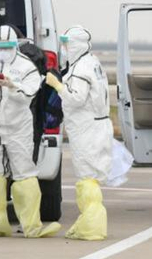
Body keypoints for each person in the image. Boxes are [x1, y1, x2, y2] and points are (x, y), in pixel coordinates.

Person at [0, 25, 60, 238]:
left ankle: (31, 225)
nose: (3, 51)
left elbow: (31, 93)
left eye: (7, 47)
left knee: (24, 172)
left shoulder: (26, 66)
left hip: (18, 124)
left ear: (15, 45)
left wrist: (12, 85)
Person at [45, 26, 113, 240]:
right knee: (90, 176)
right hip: (96, 126)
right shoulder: (92, 62)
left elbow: (76, 98)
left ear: (76, 45)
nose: (65, 49)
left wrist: (58, 86)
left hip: (87, 129)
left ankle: (92, 227)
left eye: (67, 44)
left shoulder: (82, 68)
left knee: (87, 177)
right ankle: (88, 222)